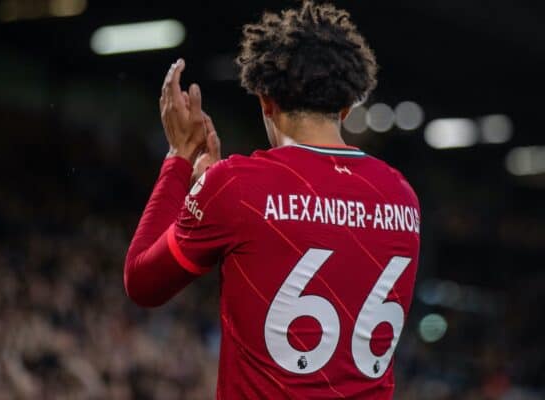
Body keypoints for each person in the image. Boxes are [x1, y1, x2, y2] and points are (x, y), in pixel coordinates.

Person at [124, 1, 420, 398]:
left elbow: (143, 282)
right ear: (347, 109)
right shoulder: (403, 196)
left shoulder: (237, 185)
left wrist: (179, 159)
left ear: (266, 100)